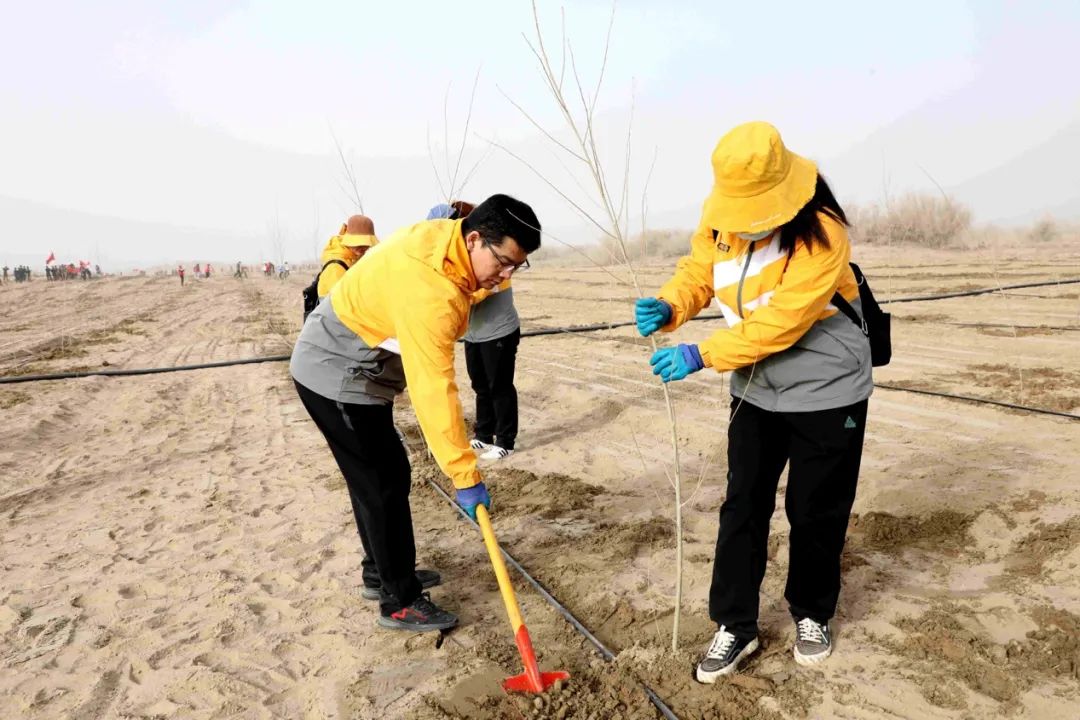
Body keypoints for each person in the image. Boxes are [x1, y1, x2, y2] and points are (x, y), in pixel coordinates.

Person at [635, 122, 872, 681]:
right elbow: (699, 271)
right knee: (743, 505)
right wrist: (672, 305)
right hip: (755, 388)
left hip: (826, 389)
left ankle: (812, 612)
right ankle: (734, 625)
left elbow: (782, 322)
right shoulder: (722, 218)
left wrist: (705, 355)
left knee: (815, 509)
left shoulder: (823, 233)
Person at [290, 194, 540, 632]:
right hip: (337, 372)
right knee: (382, 483)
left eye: (516, 267)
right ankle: (399, 599)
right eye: (502, 262)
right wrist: (465, 475)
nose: (505, 276)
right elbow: (432, 391)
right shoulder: (431, 289)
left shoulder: (447, 238)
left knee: (380, 479)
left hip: (357, 367)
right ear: (475, 237)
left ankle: (383, 573)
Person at [427, 202, 522, 461]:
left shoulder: (491, 253)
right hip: (474, 333)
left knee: (499, 386)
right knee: (480, 384)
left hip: (498, 332)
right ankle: (483, 435)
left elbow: (476, 293)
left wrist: (448, 294)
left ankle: (505, 440)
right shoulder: (455, 258)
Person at [316, 215, 379, 298]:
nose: (363, 247)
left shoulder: (353, 259)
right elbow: (338, 304)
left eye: (367, 244)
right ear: (349, 240)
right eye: (359, 243)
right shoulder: (335, 266)